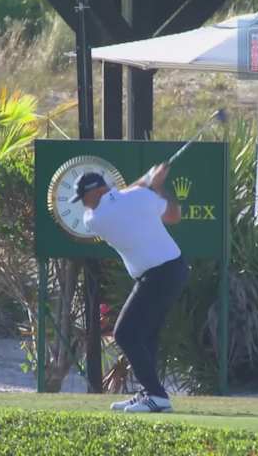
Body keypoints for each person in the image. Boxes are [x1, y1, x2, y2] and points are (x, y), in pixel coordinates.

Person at [73, 163, 188, 413]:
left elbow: (122, 196)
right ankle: (152, 394)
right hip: (173, 270)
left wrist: (147, 180)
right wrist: (157, 186)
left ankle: (157, 396)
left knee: (124, 333)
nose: (83, 204)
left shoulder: (94, 219)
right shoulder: (140, 197)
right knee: (146, 336)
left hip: (159, 275)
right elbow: (174, 215)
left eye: (84, 198)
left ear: (96, 193)